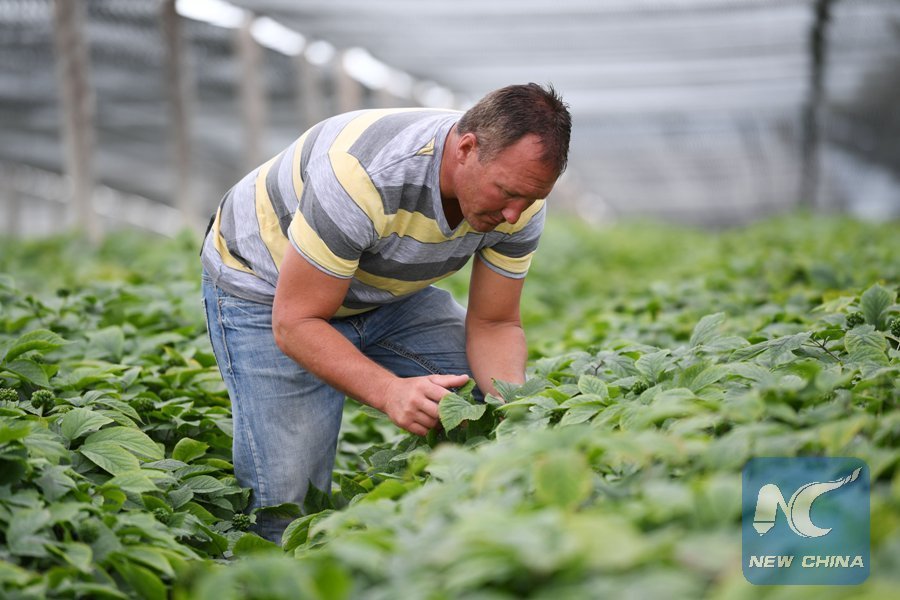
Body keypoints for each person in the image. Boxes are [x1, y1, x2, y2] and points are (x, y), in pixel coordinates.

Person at [200, 83, 571, 542]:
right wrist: (390, 392)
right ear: (466, 149)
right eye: (506, 192)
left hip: (383, 293)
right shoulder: (363, 176)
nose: (514, 214)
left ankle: (459, 531)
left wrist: (513, 409)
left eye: (529, 198)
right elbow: (296, 322)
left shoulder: (520, 201)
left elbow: (494, 323)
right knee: (287, 504)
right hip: (267, 287)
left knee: (481, 402)